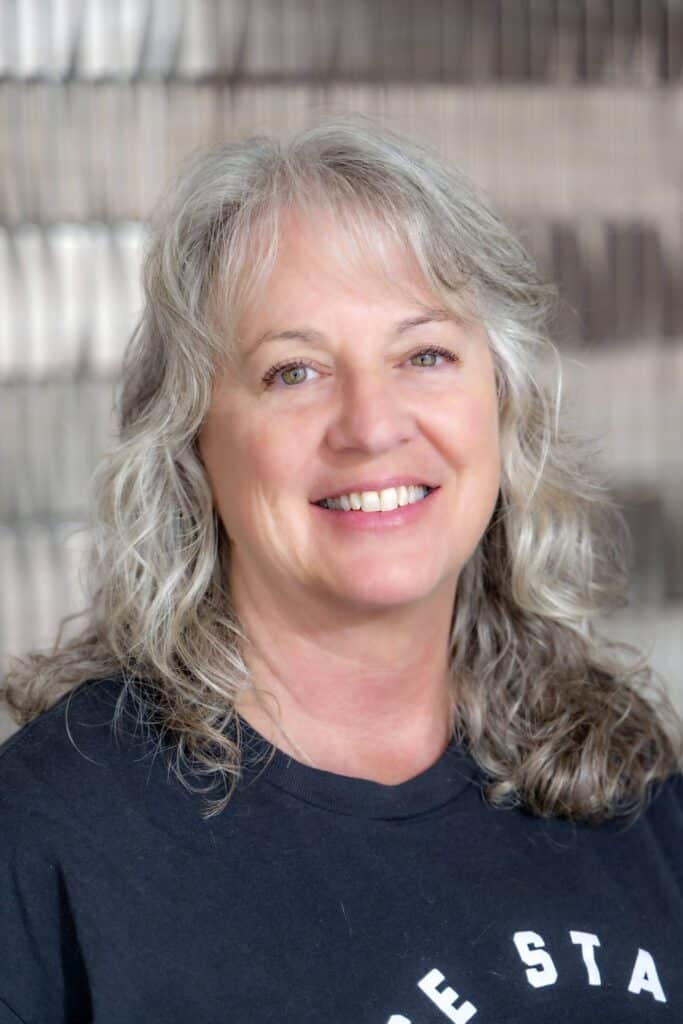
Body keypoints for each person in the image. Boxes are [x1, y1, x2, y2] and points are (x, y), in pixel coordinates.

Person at [1, 116, 681, 1024]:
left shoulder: (625, 782)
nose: (371, 424)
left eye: (424, 355)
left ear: (503, 403)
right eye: (294, 372)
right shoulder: (56, 834)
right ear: (193, 440)